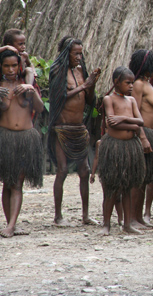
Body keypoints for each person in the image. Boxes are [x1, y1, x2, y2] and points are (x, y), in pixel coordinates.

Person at [49, 36, 101, 227]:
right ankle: (58, 216)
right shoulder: (57, 70)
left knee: (85, 171)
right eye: (75, 53)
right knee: (62, 171)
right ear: (66, 53)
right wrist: (83, 86)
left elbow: (89, 100)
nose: (79, 57)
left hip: (79, 128)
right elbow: (58, 98)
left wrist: (91, 84)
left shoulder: (80, 71)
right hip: (62, 128)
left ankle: (85, 215)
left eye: (81, 53)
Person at [91, 67, 146, 236]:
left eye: (132, 83)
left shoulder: (131, 101)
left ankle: (127, 224)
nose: (131, 86)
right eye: (127, 83)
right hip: (114, 146)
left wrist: (123, 118)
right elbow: (111, 123)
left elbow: (141, 122)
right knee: (111, 188)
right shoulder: (109, 99)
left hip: (130, 147)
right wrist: (133, 124)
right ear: (116, 82)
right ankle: (106, 224)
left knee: (128, 188)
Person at [0, 49, 44, 237]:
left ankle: (11, 225)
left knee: (17, 182)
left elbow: (40, 108)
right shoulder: (1, 86)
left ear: (19, 66)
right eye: (6, 65)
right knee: (7, 183)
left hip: (25, 138)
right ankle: (11, 224)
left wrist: (31, 89)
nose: (10, 69)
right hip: (5, 137)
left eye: (14, 65)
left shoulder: (26, 85)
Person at [128, 49, 153, 228]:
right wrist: (142, 137)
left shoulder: (148, 83)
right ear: (145, 67)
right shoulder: (138, 85)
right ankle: (132, 218)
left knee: (145, 179)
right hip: (143, 134)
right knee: (138, 180)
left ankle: (139, 217)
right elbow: (134, 111)